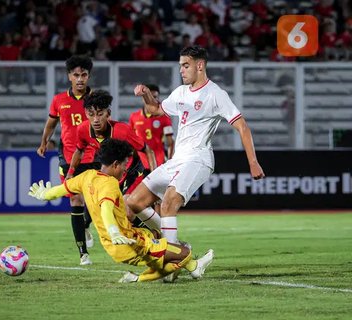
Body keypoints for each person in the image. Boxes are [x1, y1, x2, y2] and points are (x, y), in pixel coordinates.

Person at [127, 45, 265, 245]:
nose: (181, 70)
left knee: (168, 203)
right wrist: (146, 94)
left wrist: (253, 162)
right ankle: (177, 246)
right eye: (180, 66)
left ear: (200, 66)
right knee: (134, 201)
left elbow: (242, 127)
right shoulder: (181, 92)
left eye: (185, 65)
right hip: (178, 159)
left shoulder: (215, 94)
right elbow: (155, 109)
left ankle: (172, 259)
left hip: (198, 158)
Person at [28, 138, 214, 283]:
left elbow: (60, 190)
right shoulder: (109, 184)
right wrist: (114, 231)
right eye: (124, 164)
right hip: (128, 243)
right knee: (184, 252)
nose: (125, 169)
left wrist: (45, 194)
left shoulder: (86, 176)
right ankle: (142, 278)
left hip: (123, 239)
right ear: (115, 164)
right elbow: (106, 209)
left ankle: (184, 268)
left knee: (160, 235)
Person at [67, 90, 160, 231]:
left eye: (100, 114)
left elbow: (148, 150)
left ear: (108, 114)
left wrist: (155, 180)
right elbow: (79, 150)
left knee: (127, 212)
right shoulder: (82, 130)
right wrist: (70, 173)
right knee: (110, 212)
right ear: (85, 114)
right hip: (112, 176)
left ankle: (159, 233)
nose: (96, 119)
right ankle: (151, 233)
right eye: (91, 114)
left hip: (131, 172)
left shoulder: (122, 131)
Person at [37, 55, 99, 266]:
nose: (80, 79)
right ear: (69, 76)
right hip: (68, 157)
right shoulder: (59, 100)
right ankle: (83, 254)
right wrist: (44, 142)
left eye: (83, 75)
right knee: (76, 200)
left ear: (88, 76)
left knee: (96, 200)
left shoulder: (96, 98)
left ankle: (87, 224)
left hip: (95, 155)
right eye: (76, 75)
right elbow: (51, 124)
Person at [128, 84, 174, 171]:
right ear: (143, 98)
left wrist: (170, 162)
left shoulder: (164, 117)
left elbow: (170, 142)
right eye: (150, 96)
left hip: (159, 163)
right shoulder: (134, 117)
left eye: (155, 97)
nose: (152, 99)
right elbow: (131, 142)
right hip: (140, 164)